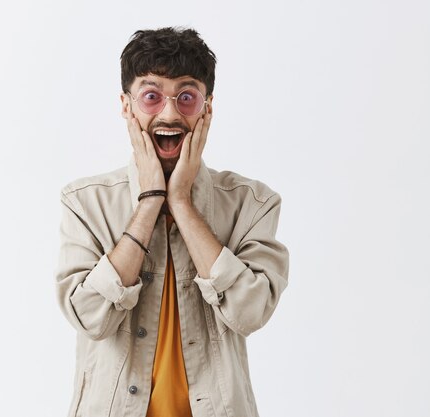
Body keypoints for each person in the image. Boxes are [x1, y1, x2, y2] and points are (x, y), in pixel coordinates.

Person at [55, 27, 289, 417]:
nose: (169, 114)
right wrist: (150, 203)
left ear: (206, 107)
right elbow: (89, 317)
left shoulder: (252, 203)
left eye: (186, 98)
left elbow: (250, 313)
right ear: (127, 106)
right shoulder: (85, 202)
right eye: (151, 97)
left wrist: (181, 202)